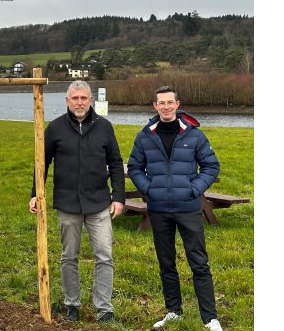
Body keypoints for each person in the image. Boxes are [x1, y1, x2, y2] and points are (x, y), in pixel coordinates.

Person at [126, 86, 223, 331]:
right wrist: (148, 188)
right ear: (155, 107)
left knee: (199, 262)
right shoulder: (145, 136)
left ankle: (209, 318)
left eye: (170, 102)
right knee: (166, 262)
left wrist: (193, 189)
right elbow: (135, 167)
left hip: (188, 208)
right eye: (162, 103)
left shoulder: (194, 135)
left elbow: (211, 166)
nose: (166, 106)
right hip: (158, 209)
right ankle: (173, 311)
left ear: (178, 104)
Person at [29, 80, 125, 324]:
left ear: (90, 100)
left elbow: (115, 163)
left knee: (104, 255)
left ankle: (104, 309)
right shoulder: (55, 129)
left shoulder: (104, 127)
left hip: (99, 202)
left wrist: (119, 197)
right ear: (67, 101)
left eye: (84, 98)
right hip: (68, 203)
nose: (79, 102)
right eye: (75, 98)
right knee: (68, 256)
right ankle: (72, 304)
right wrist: (35, 193)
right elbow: (42, 163)